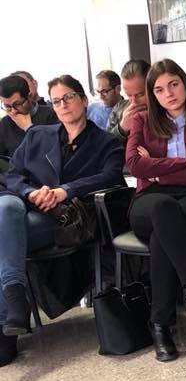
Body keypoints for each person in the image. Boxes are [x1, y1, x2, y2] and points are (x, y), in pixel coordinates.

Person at [1, 75, 123, 365]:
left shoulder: (106, 142)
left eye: (68, 97)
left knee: (3, 235)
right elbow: (13, 175)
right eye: (56, 101)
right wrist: (32, 193)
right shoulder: (37, 135)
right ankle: (14, 295)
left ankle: (7, 324)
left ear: (83, 100)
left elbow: (110, 176)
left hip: (64, 218)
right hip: (24, 207)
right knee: (5, 207)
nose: (63, 105)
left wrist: (63, 191)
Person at [125, 59, 186, 362]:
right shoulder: (141, 121)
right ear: (152, 95)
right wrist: (183, 164)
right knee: (163, 209)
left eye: (173, 84)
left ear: (184, 83)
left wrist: (157, 171)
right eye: (159, 89)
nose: (168, 93)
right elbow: (134, 164)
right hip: (150, 199)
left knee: (163, 234)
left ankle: (160, 326)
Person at [0, 75, 59, 159]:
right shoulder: (4, 123)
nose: (13, 111)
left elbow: (51, 151)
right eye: (7, 106)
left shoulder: (52, 115)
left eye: (17, 104)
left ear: (29, 97)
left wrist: (28, 127)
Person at [106, 59, 151, 139]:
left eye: (140, 95)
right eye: (129, 95)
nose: (134, 102)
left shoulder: (165, 108)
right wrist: (121, 128)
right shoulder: (118, 109)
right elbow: (105, 143)